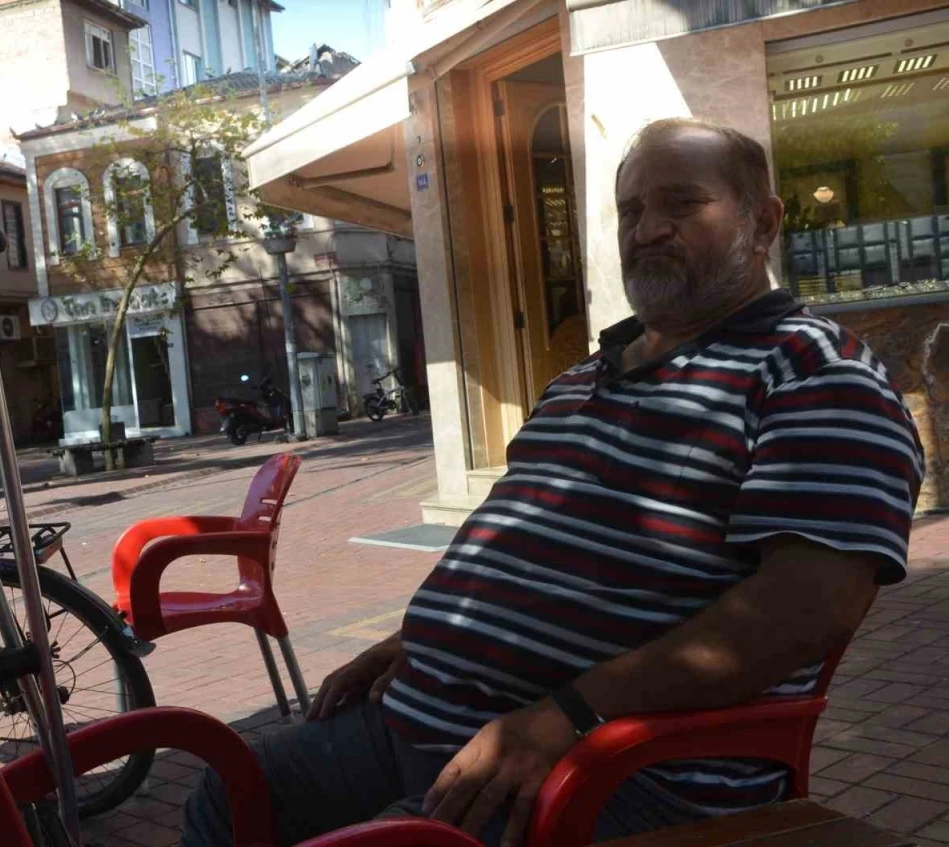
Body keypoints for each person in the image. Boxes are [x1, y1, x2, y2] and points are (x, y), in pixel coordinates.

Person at [181, 118, 925, 847]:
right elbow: (523, 547)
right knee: (229, 792)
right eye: (630, 211)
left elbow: (805, 610)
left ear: (763, 223)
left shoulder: (815, 375)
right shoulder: (579, 381)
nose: (647, 230)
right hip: (430, 716)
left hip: (615, 767)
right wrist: (419, 639)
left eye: (682, 204)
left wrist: (568, 715)